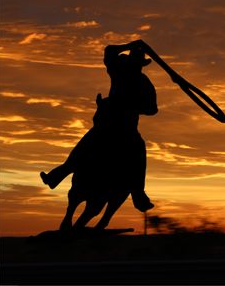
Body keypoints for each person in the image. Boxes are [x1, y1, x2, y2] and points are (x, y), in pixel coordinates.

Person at [41, 40, 157, 212]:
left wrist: (131, 106)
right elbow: (109, 51)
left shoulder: (141, 81)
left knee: (138, 148)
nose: (135, 66)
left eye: (137, 63)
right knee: (86, 145)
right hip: (108, 124)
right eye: (133, 62)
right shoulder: (120, 71)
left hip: (126, 129)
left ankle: (138, 193)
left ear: (140, 65)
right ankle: (57, 175)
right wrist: (131, 44)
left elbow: (153, 109)